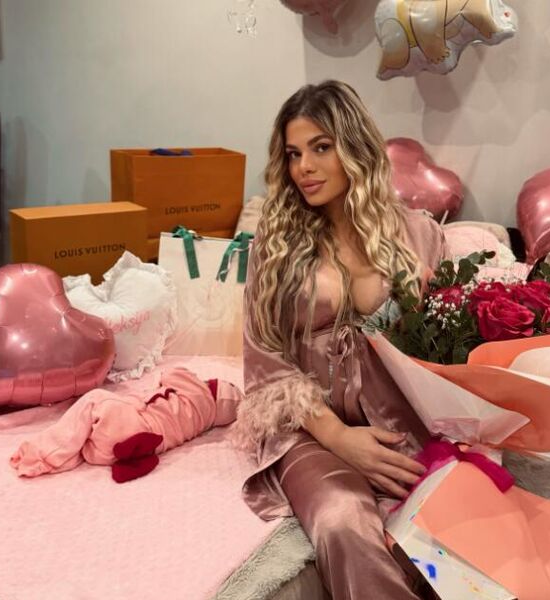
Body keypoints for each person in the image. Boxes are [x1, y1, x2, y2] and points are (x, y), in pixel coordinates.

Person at [234, 80, 446, 600]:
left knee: (445, 526)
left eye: (321, 147)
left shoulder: (416, 234)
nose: (303, 167)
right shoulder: (275, 244)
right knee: (342, 519)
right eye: (293, 154)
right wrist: (338, 438)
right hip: (310, 428)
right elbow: (265, 358)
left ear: (354, 146)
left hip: (401, 421)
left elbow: (444, 347)